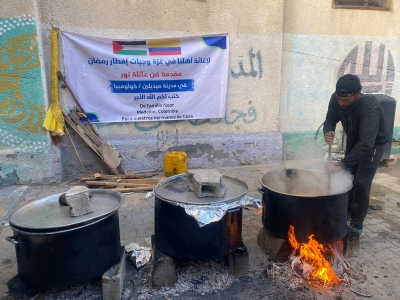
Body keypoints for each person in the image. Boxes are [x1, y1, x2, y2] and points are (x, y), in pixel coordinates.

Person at [323, 74, 389, 238]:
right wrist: (328, 131)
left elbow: (366, 143)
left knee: (361, 183)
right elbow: (330, 119)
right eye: (339, 98)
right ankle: (346, 211)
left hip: (374, 145)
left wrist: (341, 164)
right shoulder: (337, 98)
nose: (341, 103)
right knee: (349, 177)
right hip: (354, 141)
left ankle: (357, 225)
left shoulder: (369, 107)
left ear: (358, 93)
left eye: (346, 100)